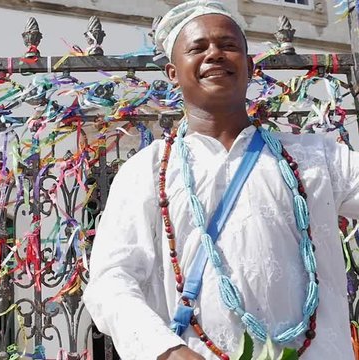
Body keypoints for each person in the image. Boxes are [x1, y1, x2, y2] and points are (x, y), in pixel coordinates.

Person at [82, 1, 359, 359]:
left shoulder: (316, 158)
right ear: (172, 72)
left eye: (228, 45)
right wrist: (167, 351)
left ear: (250, 65)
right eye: (197, 48)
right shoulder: (146, 172)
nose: (214, 54)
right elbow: (110, 281)